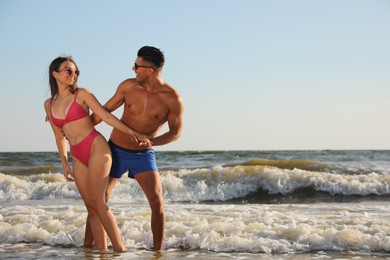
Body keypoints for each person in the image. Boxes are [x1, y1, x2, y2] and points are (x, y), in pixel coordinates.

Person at [44, 56, 151, 253]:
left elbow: (107, 116)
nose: (73, 74)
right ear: (55, 74)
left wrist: (134, 133)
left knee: (99, 203)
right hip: (76, 154)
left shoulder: (82, 94)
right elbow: (59, 137)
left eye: (76, 71)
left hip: (96, 147)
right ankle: (102, 253)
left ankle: (120, 250)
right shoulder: (49, 104)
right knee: (91, 207)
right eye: (68, 70)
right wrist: (64, 163)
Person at [91, 46, 184, 251]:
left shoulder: (172, 98)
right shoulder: (127, 86)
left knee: (157, 202)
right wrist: (79, 128)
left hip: (143, 155)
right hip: (114, 150)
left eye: (137, 66)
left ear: (149, 70)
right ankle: (89, 248)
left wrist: (153, 142)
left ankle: (157, 251)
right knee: (99, 200)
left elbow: (175, 132)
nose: (133, 69)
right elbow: (103, 111)